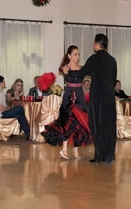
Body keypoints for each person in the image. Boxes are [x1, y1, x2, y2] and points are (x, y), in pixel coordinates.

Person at [66, 34, 117, 164]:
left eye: (94, 43)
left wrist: (68, 71)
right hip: (110, 97)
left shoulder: (94, 59)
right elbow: (113, 80)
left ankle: (100, 156)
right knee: (109, 126)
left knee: (97, 125)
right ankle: (109, 156)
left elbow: (81, 73)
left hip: (97, 97)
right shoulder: (112, 60)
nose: (93, 45)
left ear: (98, 44)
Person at [41, 45, 91, 159]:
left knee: (80, 124)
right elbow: (71, 74)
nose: (77, 56)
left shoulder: (82, 68)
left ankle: (76, 150)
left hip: (79, 96)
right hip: (69, 96)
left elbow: (87, 74)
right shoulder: (65, 67)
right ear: (69, 55)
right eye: (75, 54)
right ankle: (63, 149)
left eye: (78, 54)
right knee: (67, 123)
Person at [0, 75, 30, 140]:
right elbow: (0, 108)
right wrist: (10, 108)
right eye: (4, 82)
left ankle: (28, 134)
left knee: (20, 116)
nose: (5, 83)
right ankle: (28, 132)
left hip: (2, 113)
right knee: (20, 108)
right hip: (2, 115)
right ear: (1, 83)